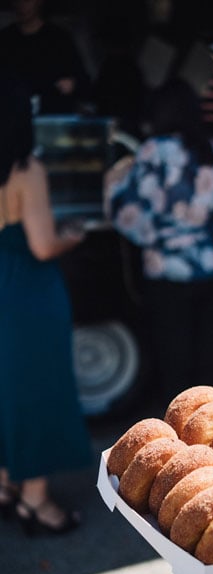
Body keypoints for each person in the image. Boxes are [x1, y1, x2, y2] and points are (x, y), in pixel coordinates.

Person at [105, 76, 213, 406]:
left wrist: (112, 183)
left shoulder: (154, 151)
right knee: (208, 364)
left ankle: (181, 443)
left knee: (175, 366)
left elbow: (132, 215)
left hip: (170, 273)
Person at [0, 72, 92, 533]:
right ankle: (35, 499)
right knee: (36, 391)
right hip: (27, 293)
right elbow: (41, 245)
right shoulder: (25, 170)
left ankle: (4, 483)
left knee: (4, 390)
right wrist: (73, 236)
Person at [0, 0, 90, 114]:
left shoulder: (59, 38)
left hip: (52, 118)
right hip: (14, 118)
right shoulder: (5, 39)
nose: (22, 5)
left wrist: (73, 84)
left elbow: (83, 81)